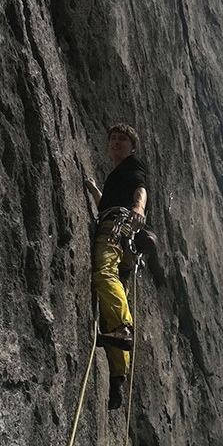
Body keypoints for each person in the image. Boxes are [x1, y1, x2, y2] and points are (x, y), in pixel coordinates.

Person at [85, 123, 148, 410]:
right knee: (115, 296)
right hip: (120, 228)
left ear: (132, 147)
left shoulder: (133, 166)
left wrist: (139, 209)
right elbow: (106, 204)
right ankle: (117, 378)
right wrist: (96, 190)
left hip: (117, 226)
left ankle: (124, 329)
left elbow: (140, 188)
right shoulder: (114, 176)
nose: (116, 142)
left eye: (122, 139)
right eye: (112, 138)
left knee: (103, 275)